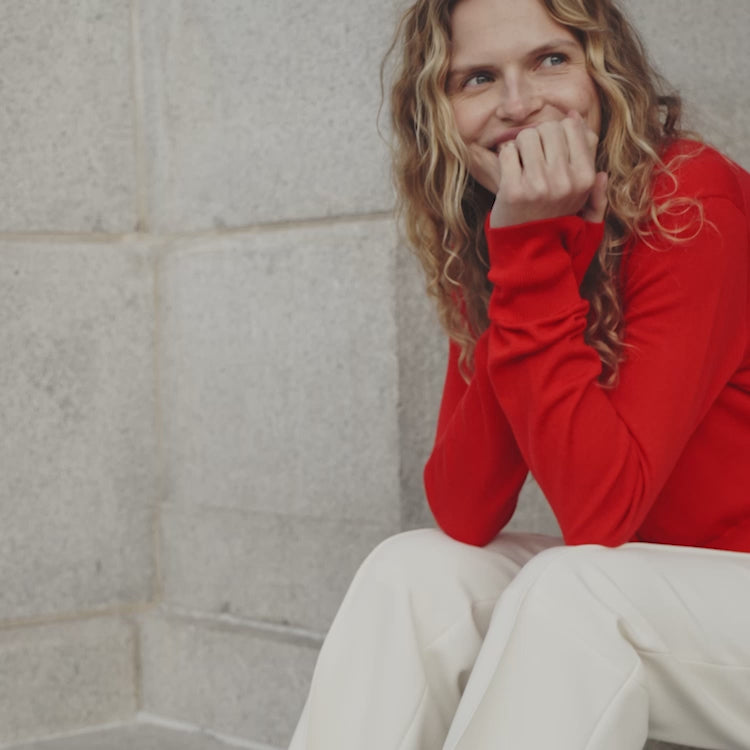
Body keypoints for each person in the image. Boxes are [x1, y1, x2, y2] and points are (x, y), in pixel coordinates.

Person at [289, 0, 750, 747]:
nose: (517, 103)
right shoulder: (500, 229)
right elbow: (465, 506)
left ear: (603, 73)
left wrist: (534, 255)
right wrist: (530, 252)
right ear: (441, 114)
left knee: (578, 593)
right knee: (414, 570)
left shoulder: (689, 195)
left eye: (550, 60)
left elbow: (603, 510)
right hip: (674, 591)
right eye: (476, 78)